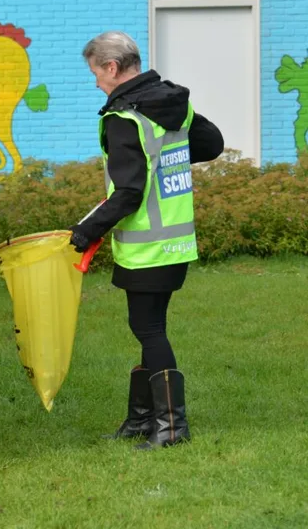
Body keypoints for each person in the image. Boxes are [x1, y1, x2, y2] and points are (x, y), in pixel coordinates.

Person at [70, 31, 224, 450]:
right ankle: (142, 420)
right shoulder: (173, 103)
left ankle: (171, 428)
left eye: (96, 73)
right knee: (152, 327)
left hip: (146, 247)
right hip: (176, 242)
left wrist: (84, 232)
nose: (96, 83)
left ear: (112, 67)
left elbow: (128, 193)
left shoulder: (124, 118)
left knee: (148, 329)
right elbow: (212, 144)